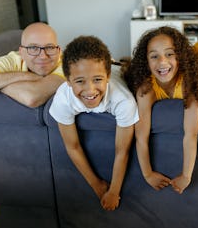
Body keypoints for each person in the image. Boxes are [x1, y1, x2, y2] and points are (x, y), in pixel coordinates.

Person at [49, 35, 139, 211]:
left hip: (119, 71)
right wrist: (96, 184)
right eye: (80, 81)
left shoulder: (123, 101)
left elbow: (122, 150)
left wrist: (114, 191)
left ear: (107, 77)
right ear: (67, 80)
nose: (90, 90)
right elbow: (72, 146)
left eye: (97, 79)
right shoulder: (63, 99)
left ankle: (118, 64)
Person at [122, 26, 198, 194]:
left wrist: (186, 175)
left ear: (181, 56)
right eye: (154, 56)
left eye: (170, 54)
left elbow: (191, 134)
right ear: (146, 62)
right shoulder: (147, 88)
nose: (162, 62)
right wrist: (147, 174)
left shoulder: (189, 83)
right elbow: (141, 137)